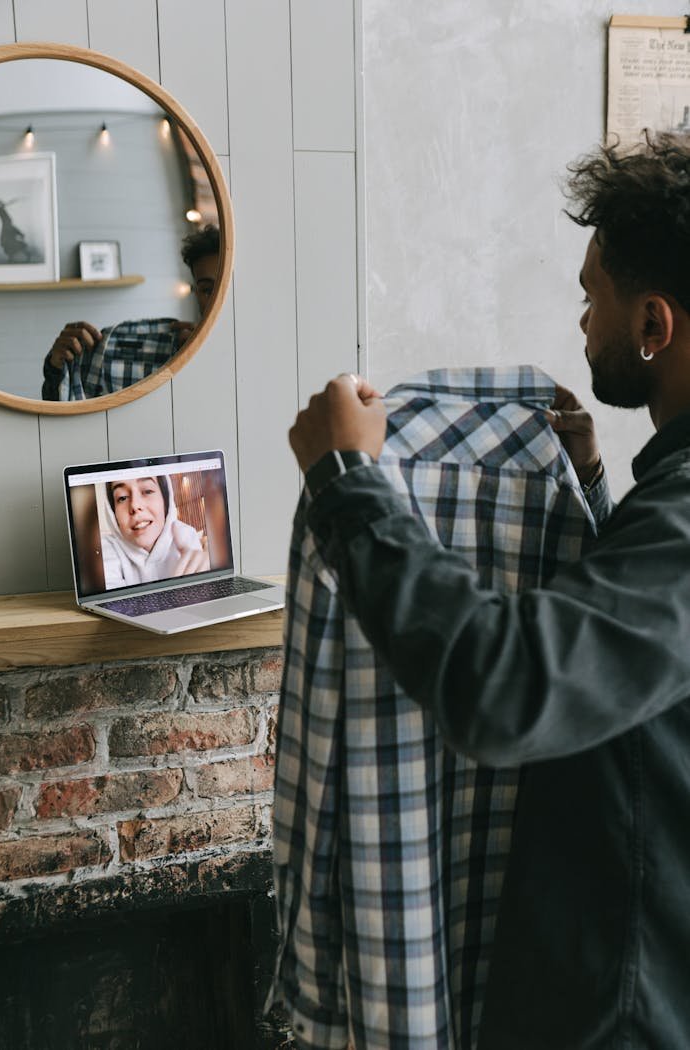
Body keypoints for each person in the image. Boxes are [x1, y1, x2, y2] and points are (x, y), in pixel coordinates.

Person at [287, 132, 690, 1049]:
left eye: (593, 296)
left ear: (653, 325)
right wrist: (591, 488)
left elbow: (504, 688)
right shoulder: (666, 499)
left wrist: (349, 479)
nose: (581, 321)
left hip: (624, 1009)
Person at [41, 224, 220, 400]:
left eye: (228, 285)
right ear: (196, 292)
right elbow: (63, 417)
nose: (218, 297)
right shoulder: (164, 346)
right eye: (207, 289)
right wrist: (55, 368)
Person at [101, 473, 209, 589]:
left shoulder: (185, 535)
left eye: (147, 491)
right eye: (122, 498)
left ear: (165, 500)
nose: (135, 506)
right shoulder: (106, 548)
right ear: (113, 511)